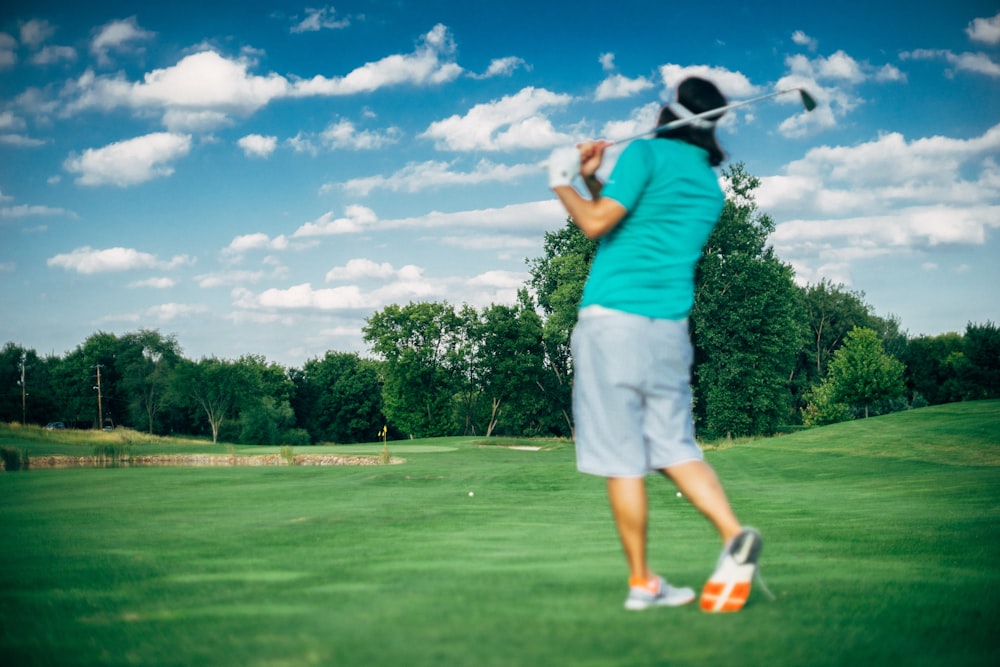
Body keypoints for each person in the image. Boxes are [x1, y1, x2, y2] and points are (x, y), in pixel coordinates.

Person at [547, 76, 762, 613]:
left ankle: (642, 582)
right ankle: (734, 536)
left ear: (670, 112)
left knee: (623, 458)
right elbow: (628, 221)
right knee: (672, 446)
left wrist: (563, 182)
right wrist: (597, 181)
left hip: (611, 322)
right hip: (666, 332)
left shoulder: (645, 153)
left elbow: (597, 226)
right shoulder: (709, 187)